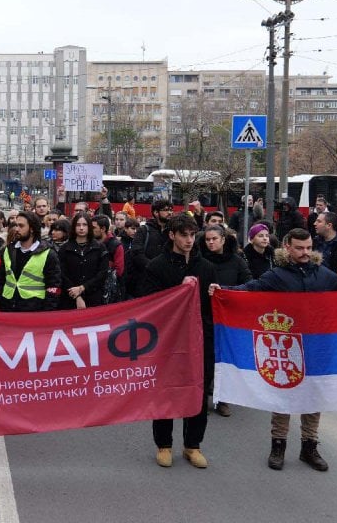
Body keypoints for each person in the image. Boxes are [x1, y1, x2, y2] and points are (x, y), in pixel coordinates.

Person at [210, 228, 337, 472]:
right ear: (287, 247)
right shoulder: (277, 276)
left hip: (318, 346)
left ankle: (309, 446)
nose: (305, 253)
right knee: (283, 395)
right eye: (299, 248)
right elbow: (250, 290)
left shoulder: (322, 274)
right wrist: (222, 291)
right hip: (288, 346)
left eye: (307, 248)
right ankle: (278, 445)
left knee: (314, 395)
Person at [137, 213, 217, 469]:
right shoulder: (156, 266)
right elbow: (149, 304)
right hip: (168, 341)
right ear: (172, 235)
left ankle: (193, 446)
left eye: (193, 235)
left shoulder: (206, 267)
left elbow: (212, 307)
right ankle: (164, 445)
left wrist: (216, 293)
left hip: (198, 340)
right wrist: (178, 290)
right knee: (166, 391)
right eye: (184, 235)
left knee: (197, 391)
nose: (190, 240)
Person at [199, 224, 250, 418]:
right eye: (207, 239)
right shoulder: (200, 260)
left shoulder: (236, 261)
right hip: (204, 315)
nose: (211, 242)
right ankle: (202, 399)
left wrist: (226, 291)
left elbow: (248, 282)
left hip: (229, 318)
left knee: (225, 359)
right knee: (206, 359)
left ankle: (222, 399)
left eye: (214, 239)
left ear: (223, 239)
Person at [0, 211, 62, 312]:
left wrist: (47, 314)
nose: (16, 229)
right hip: (7, 307)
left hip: (34, 310)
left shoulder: (48, 254)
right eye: (16, 225)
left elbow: (53, 287)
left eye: (21, 226)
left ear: (32, 229)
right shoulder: (8, 250)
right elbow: (0, 281)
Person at [57, 213, 108, 309]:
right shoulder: (65, 248)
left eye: (84, 225)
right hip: (69, 299)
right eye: (78, 225)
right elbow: (62, 274)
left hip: (94, 298)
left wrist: (83, 288)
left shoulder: (100, 247)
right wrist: (77, 295)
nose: (81, 228)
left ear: (89, 227)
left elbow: (102, 273)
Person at [128, 198, 173, 297]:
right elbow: (136, 253)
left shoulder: (173, 231)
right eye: (166, 210)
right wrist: (153, 267)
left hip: (166, 283)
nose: (170, 212)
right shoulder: (144, 230)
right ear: (156, 212)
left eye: (171, 210)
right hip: (145, 283)